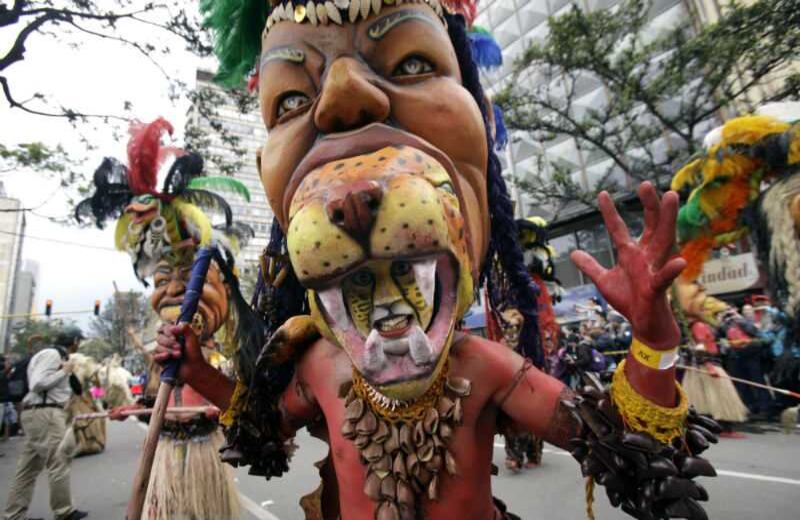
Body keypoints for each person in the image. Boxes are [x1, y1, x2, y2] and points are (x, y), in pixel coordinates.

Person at [150, 2, 720, 519]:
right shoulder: (321, 365)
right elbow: (261, 430)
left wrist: (653, 339)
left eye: (412, 64)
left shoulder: (485, 367)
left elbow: (627, 445)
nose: (344, 94)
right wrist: (198, 372)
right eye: (293, 100)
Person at [75, 119, 253, 520]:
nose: (173, 289)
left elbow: (247, 411)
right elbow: (155, 398)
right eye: (162, 279)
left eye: (187, 278)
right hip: (165, 457)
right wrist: (133, 408)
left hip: (205, 455)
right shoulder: (163, 353)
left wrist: (216, 409)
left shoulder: (223, 357)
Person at [3, 327, 88, 520]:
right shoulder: (52, 354)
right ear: (74, 340)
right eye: (79, 340)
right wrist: (64, 371)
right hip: (46, 414)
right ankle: (64, 511)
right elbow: (37, 383)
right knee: (59, 461)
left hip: (38, 413)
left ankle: (14, 515)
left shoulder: (56, 355)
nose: (79, 344)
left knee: (28, 469)